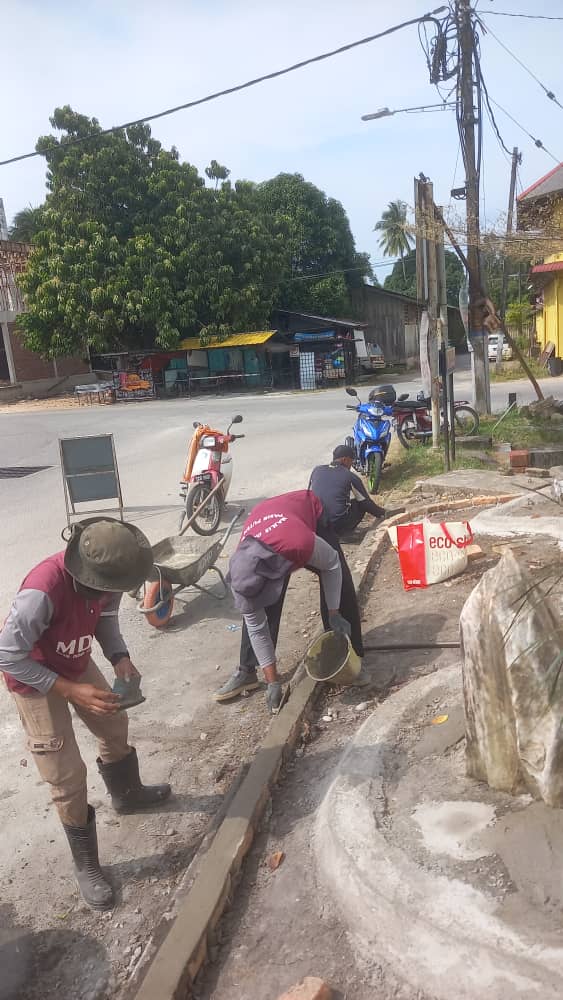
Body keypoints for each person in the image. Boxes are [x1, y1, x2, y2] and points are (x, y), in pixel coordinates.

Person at [0, 517, 171, 911]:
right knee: (66, 774)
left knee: (114, 722)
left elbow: (106, 619)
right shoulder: (41, 591)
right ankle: (87, 865)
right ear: (86, 574)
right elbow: (9, 656)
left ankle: (127, 794)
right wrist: (69, 690)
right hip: (32, 676)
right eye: (110, 589)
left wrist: (119, 657)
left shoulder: (110, 578)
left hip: (74, 663)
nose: (114, 594)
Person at [215, 489, 370, 713]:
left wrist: (334, 612)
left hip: (305, 513)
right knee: (261, 609)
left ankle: (351, 657)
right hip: (269, 526)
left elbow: (332, 565)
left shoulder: (299, 543)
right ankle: (248, 672)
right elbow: (257, 629)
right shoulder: (241, 568)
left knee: (341, 580)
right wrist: (273, 681)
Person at [309, 445, 386, 536]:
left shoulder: (317, 470)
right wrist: (383, 514)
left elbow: (310, 494)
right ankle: (344, 533)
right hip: (336, 524)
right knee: (360, 503)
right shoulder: (349, 476)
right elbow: (366, 503)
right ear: (344, 460)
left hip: (317, 523)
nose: (351, 465)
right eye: (351, 461)